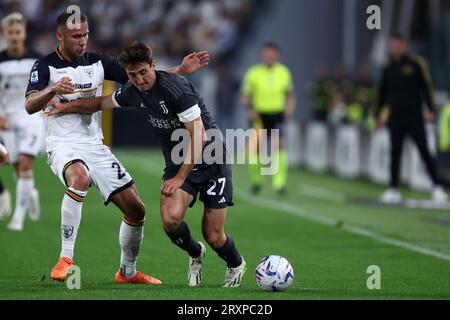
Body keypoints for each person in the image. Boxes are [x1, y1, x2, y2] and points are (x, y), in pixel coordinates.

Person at [25, 11, 209, 285]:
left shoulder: (99, 62)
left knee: (137, 210)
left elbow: (141, 79)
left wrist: (179, 72)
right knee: (80, 177)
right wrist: (52, 90)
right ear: (60, 36)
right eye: (77, 36)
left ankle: (127, 272)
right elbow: (30, 105)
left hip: (95, 145)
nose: (83, 41)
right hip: (62, 144)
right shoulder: (45, 67)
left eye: (86, 34)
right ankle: (65, 258)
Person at [47, 41, 247, 288]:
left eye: (143, 72)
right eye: (133, 75)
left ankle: (235, 263)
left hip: (211, 157)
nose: (140, 79)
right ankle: (196, 253)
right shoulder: (133, 91)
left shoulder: (177, 90)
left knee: (214, 235)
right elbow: (100, 103)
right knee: (170, 221)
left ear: (153, 66)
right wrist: (64, 107)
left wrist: (179, 179)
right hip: (178, 161)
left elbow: (200, 136)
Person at [376, 34, 447, 204]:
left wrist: (430, 110)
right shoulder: (388, 68)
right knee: (395, 152)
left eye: (398, 44)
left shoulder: (416, 64)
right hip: (395, 117)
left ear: (404, 45)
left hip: (414, 116)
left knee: (423, 150)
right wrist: (378, 116)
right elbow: (382, 94)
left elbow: (426, 87)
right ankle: (393, 189)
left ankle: (437, 187)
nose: (395, 47)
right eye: (393, 45)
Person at [0, 13, 44, 230]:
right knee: (17, 167)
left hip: (31, 118)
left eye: (18, 32)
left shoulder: (36, 59)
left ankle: (18, 217)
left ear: (24, 33)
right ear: (4, 35)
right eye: (10, 33)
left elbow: (45, 87)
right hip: (7, 121)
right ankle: (31, 193)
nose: (15, 37)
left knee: (26, 163)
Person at [241, 42, 296, 196]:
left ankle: (280, 184)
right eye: (266, 54)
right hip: (259, 115)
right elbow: (245, 96)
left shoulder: (284, 72)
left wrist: (290, 108)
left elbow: (290, 95)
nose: (269, 57)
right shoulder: (253, 73)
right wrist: (250, 109)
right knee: (255, 148)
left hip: (277, 115)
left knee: (279, 145)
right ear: (263, 55)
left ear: (277, 55)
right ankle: (257, 181)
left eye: (272, 54)